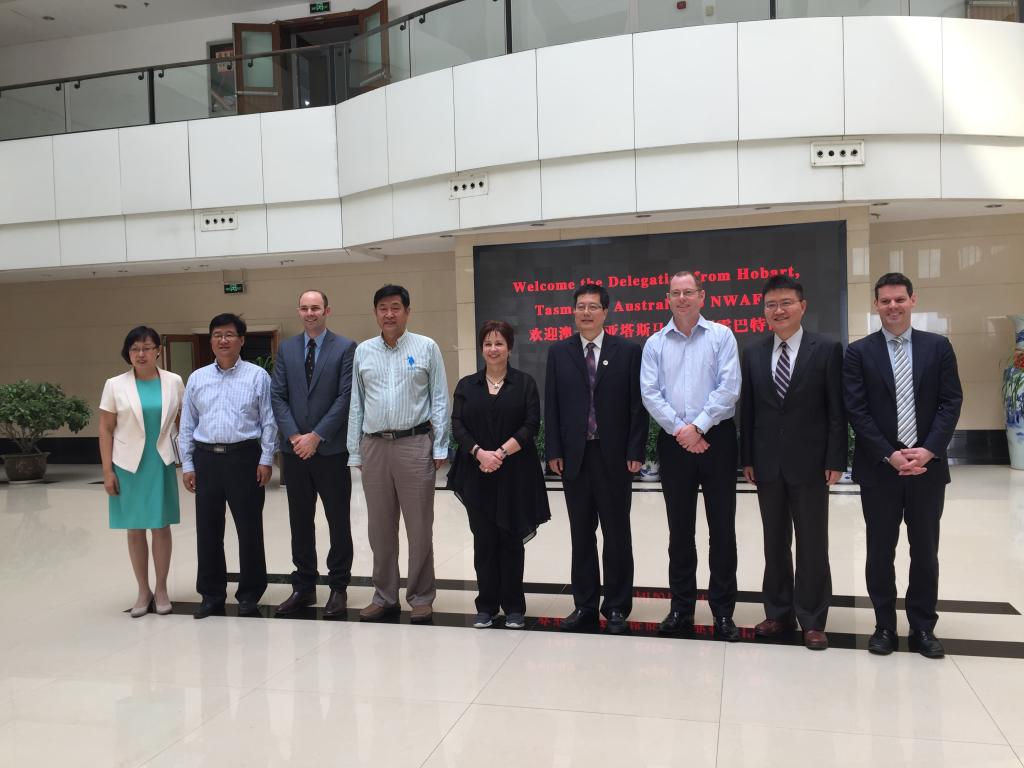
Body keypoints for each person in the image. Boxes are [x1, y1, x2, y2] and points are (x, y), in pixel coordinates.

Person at [843, 272, 962, 658]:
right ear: (875, 305)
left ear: (913, 300)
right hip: (880, 469)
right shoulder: (859, 352)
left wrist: (928, 450)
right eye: (885, 301)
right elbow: (857, 410)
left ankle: (923, 627)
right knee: (880, 551)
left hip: (927, 468)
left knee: (925, 551)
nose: (892, 306)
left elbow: (950, 401)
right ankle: (884, 626)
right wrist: (890, 454)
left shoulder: (937, 347)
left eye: (899, 299)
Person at [740, 276, 845, 650]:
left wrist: (836, 457)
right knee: (774, 542)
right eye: (771, 304)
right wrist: (747, 458)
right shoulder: (753, 352)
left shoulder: (827, 349)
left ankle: (813, 619)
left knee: (813, 542)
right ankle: (778, 612)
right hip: (767, 463)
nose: (778, 310)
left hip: (811, 463)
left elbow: (837, 411)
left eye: (785, 302)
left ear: (802, 306)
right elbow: (748, 410)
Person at [641, 271, 742, 641]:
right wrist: (682, 430)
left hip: (717, 440)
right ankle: (681, 609)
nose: (682, 298)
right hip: (675, 443)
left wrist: (697, 427)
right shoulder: (655, 343)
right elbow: (650, 393)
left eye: (688, 292)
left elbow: (729, 387)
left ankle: (723, 612)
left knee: (722, 530)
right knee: (680, 532)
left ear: (702, 296)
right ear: (667, 298)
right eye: (675, 293)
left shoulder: (721, 336)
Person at [544, 285, 646, 634]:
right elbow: (552, 405)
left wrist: (635, 451)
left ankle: (616, 606)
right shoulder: (559, 352)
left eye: (592, 307)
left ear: (605, 312)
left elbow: (637, 406)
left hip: (613, 456)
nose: (585, 312)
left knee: (617, 534)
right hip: (575, 457)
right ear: (573, 312)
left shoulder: (628, 351)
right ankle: (585, 605)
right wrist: (554, 451)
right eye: (580, 307)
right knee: (581, 534)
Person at [347, 285, 449, 624]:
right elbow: (357, 403)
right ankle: (384, 596)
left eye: (395, 307)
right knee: (379, 529)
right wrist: (355, 450)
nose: (389, 314)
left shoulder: (426, 347)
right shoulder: (363, 351)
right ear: (375, 313)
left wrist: (440, 445)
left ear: (407, 311)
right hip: (374, 445)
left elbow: (439, 397)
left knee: (419, 527)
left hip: (414, 443)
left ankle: (421, 597)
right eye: (382, 308)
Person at [448, 320, 550, 629]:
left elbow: (531, 424)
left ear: (509, 348)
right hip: (477, 472)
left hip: (514, 473)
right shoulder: (467, 385)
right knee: (484, 541)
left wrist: (500, 453)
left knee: (511, 540)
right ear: (482, 349)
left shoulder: (525, 383)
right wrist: (480, 453)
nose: (493, 349)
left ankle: (514, 607)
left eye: (499, 343)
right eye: (488, 344)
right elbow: (457, 425)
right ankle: (487, 606)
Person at [179, 313, 278, 620]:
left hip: (244, 458)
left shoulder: (257, 376)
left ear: (241, 340)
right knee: (208, 531)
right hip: (206, 459)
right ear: (211, 341)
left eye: (229, 335)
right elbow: (187, 424)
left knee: (249, 530)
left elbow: (269, 421)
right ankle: (211, 594)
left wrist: (266, 459)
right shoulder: (197, 378)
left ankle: (250, 594)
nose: (223, 340)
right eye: (217, 335)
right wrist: (188, 464)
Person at [271, 290, 356, 619]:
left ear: (327, 311)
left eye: (316, 308)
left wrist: (316, 436)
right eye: (305, 308)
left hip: (330, 451)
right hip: (294, 452)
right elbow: (278, 395)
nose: (310, 313)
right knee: (300, 521)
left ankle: (338, 587)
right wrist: (296, 436)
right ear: (299, 311)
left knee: (338, 521)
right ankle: (304, 587)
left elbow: (345, 397)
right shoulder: (287, 348)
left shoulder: (345, 348)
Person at [98, 326, 184, 618]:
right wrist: (107, 471)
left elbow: (183, 421)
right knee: (135, 528)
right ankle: (143, 590)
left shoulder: (174, 381)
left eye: (147, 348)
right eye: (135, 349)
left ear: (158, 350)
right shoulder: (114, 385)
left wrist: (188, 460)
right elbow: (105, 429)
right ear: (128, 353)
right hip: (127, 465)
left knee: (161, 526)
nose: (141, 354)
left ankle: (161, 589)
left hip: (160, 462)